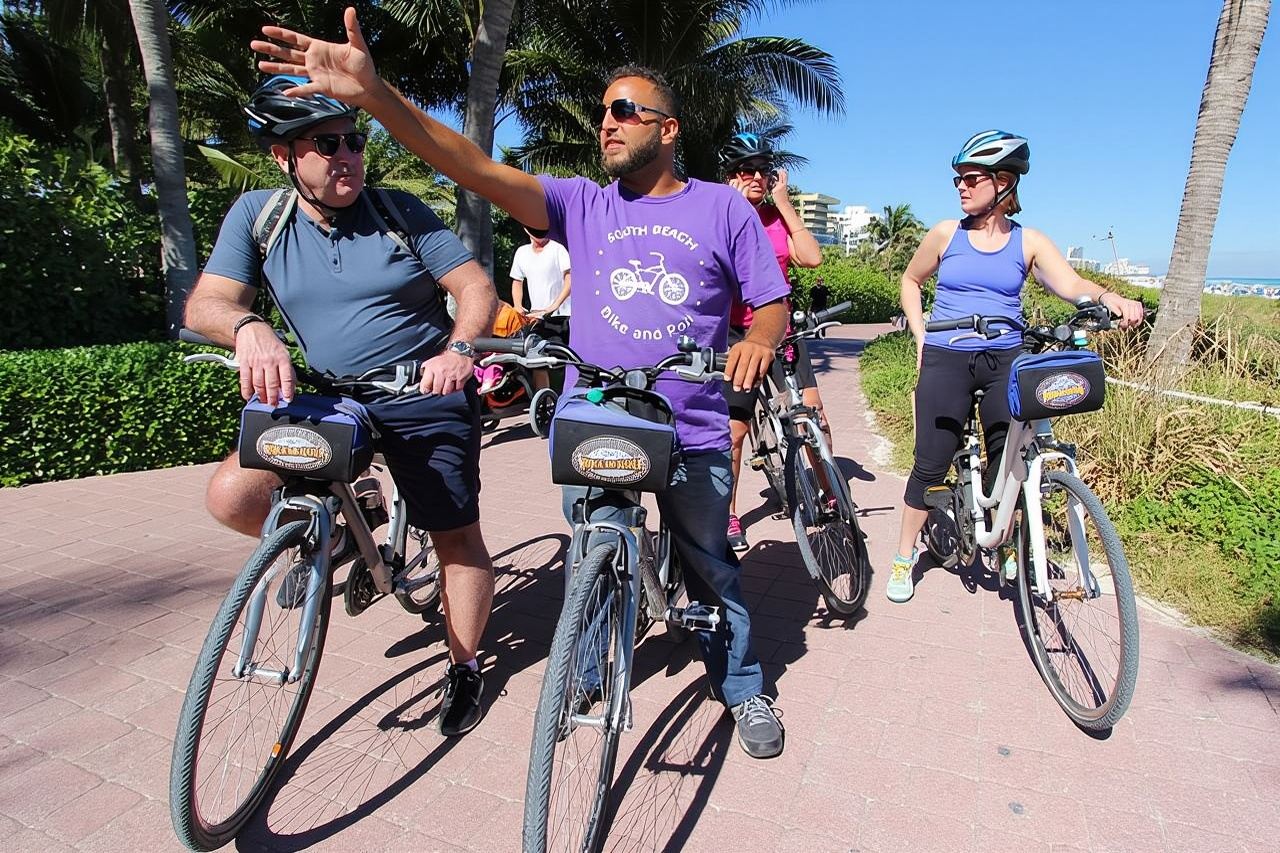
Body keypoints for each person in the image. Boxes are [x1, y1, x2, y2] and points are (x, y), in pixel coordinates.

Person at [250, 8, 790, 758]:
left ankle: (742, 684)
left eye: (625, 110)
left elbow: (769, 304)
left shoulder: (723, 206)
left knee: (711, 565)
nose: (607, 122)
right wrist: (374, 96)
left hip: (692, 422)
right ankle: (594, 662)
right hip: (595, 412)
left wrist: (760, 340)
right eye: (603, 111)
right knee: (596, 546)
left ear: (668, 129)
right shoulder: (580, 202)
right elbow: (469, 165)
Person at [183, 75, 499, 736]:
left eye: (354, 140)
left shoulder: (398, 210)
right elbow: (206, 303)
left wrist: (461, 349)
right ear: (284, 157)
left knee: (456, 537)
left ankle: (466, 665)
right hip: (330, 397)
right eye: (326, 144)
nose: (348, 154)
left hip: (423, 392)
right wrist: (248, 327)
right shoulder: (258, 218)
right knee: (231, 497)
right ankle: (348, 532)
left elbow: (474, 287)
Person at [887, 130, 1145, 604]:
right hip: (947, 355)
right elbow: (911, 279)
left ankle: (1007, 544)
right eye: (958, 179)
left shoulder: (1029, 241)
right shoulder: (947, 233)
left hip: (1006, 356)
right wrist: (922, 336)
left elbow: (1069, 284)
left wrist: (1111, 298)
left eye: (970, 178)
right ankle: (904, 556)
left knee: (1009, 459)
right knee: (931, 461)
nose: (960, 187)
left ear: (1002, 183)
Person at [718, 132, 826, 552]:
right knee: (734, 432)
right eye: (745, 170)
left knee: (813, 417)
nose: (756, 177)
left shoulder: (777, 217)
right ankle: (727, 513)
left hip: (778, 330)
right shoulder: (718, 215)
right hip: (736, 335)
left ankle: (829, 491)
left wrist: (783, 203)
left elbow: (812, 256)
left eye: (762, 170)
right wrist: (732, 205)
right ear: (729, 176)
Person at [509, 224, 572, 390]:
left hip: (562, 315)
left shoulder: (558, 248)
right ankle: (542, 401)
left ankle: (566, 396)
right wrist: (517, 306)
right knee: (536, 357)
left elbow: (569, 278)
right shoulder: (522, 253)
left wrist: (555, 305)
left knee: (561, 359)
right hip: (536, 317)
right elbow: (517, 281)